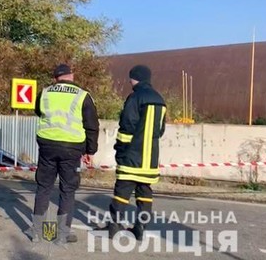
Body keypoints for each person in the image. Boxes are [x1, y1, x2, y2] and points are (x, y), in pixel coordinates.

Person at [25, 64, 100, 245]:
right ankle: (61, 234)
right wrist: (90, 150)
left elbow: (38, 111)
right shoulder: (83, 96)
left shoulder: (45, 93)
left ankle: (36, 231)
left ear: (55, 78)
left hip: (47, 145)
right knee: (67, 190)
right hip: (72, 148)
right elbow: (92, 125)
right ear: (71, 76)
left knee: (43, 188)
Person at [106, 64, 166, 241]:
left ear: (136, 78)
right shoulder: (160, 100)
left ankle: (114, 226)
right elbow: (160, 130)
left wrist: (120, 150)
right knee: (145, 193)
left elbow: (127, 127)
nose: (129, 81)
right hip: (150, 159)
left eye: (130, 78)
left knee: (122, 192)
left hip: (132, 156)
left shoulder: (135, 97)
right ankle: (140, 227)